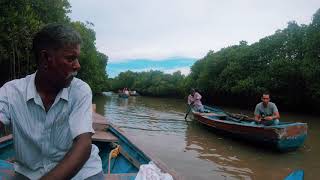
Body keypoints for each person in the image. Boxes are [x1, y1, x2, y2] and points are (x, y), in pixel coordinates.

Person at [0, 24, 103, 179]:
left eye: (77, 58)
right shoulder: (10, 92)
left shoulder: (80, 90)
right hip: (30, 173)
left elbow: (83, 144)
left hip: (81, 172)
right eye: (70, 58)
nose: (77, 65)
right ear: (46, 58)